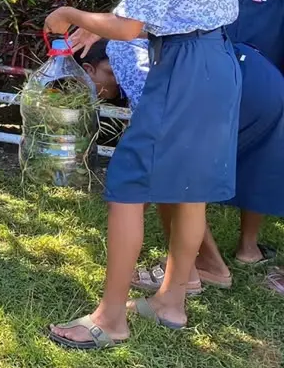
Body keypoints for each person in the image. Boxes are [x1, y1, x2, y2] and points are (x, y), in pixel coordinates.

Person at [43, 0, 240, 349]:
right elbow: (143, 7)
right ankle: (171, 300)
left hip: (184, 67)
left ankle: (110, 318)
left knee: (128, 182)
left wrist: (72, 15)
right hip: (216, 61)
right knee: (188, 186)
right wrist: (99, 26)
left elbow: (131, 26)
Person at [78, 40, 284, 296]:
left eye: (112, 72)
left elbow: (156, 137)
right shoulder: (145, 37)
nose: (115, 80)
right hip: (255, 81)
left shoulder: (123, 50)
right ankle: (215, 264)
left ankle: (190, 273)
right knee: (178, 179)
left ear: (88, 70)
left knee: (168, 177)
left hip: (238, 90)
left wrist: (126, 208)